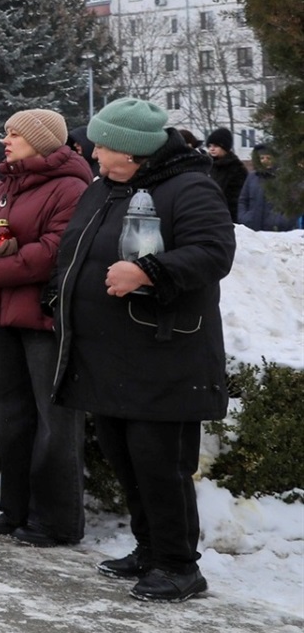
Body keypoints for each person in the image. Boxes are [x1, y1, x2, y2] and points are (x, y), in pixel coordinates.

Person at [53, 99, 234, 602]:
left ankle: (179, 565)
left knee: (160, 463)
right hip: (110, 353)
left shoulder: (188, 187)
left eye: (103, 146)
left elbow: (214, 253)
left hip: (164, 353)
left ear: (132, 151)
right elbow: (75, 251)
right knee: (126, 458)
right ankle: (150, 548)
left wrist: (148, 272)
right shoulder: (106, 188)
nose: (94, 153)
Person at [0, 108, 93, 547]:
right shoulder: (2, 184)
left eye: (15, 134)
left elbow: (55, 250)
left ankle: (57, 519)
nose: (6, 140)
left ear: (41, 141)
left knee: (54, 422)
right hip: (2, 315)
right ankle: (15, 508)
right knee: (8, 416)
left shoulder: (70, 188)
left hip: (43, 317)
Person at [238, 144, 296, 231]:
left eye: (269, 158)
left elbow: (294, 204)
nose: (265, 161)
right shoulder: (252, 177)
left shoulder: (286, 178)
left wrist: (281, 222)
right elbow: (243, 200)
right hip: (253, 228)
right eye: (262, 158)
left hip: (277, 231)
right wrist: (244, 218)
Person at [204, 129, 247, 224]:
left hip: (228, 216)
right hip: (208, 214)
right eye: (210, 146)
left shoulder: (236, 168)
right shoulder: (207, 166)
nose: (211, 149)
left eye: (216, 146)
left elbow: (238, 198)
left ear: (225, 147)